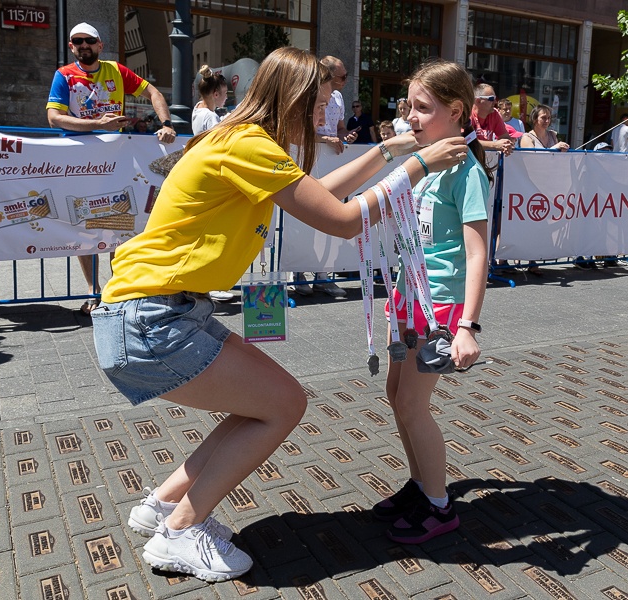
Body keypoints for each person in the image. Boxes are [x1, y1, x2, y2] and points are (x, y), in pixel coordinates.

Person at [94, 47, 466, 581]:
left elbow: (324, 198)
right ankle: (180, 532)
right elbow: (340, 221)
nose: (324, 114)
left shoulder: (244, 141)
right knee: (284, 404)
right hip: (151, 320)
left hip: (158, 313)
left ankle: (161, 506)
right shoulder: (247, 144)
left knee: (264, 406)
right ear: (290, 98)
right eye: (318, 103)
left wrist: (386, 152)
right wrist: (417, 164)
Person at [374, 59, 490, 544]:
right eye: (409, 107)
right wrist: (394, 305)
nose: (411, 118)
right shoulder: (426, 164)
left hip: (441, 308)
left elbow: (478, 250)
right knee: (395, 396)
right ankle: (421, 486)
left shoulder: (466, 171)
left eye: (422, 108)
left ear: (456, 111)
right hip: (410, 299)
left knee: (413, 406)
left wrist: (467, 325)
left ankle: (440, 507)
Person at [46, 22, 176, 315]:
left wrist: (166, 124)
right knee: (85, 228)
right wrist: (97, 124)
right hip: (79, 163)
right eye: (77, 41)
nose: (83, 46)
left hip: (115, 162)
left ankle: (119, 289)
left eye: (89, 40)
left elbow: (153, 92)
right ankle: (94, 292)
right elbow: (55, 118)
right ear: (71, 46)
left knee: (120, 225)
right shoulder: (64, 75)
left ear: (100, 45)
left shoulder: (116, 70)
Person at [297, 54, 357, 298]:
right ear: (328, 75)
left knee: (331, 216)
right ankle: (299, 274)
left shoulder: (339, 97)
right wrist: (325, 139)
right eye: (342, 76)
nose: (345, 80)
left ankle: (323, 276)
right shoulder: (309, 94)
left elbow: (339, 128)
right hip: (310, 159)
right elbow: (299, 131)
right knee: (303, 219)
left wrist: (345, 136)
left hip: (330, 161)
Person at [191, 65, 236, 302]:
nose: (227, 97)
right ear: (216, 93)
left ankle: (205, 284)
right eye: (225, 93)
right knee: (212, 234)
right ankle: (210, 284)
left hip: (204, 174)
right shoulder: (209, 116)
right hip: (212, 176)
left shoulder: (199, 112)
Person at [519, 104, 568, 273]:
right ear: (534, 120)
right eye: (543, 118)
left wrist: (562, 151)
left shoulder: (553, 135)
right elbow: (530, 159)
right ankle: (504, 260)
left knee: (544, 223)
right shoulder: (527, 137)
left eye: (549, 118)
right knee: (528, 221)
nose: (547, 121)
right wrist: (553, 149)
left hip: (549, 184)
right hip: (530, 185)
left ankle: (534, 260)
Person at [468, 83, 514, 156]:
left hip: (486, 159)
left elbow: (504, 136)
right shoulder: (468, 114)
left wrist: (507, 144)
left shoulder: (494, 113)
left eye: (495, 99)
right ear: (478, 101)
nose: (495, 102)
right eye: (491, 99)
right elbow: (467, 141)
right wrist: (494, 145)